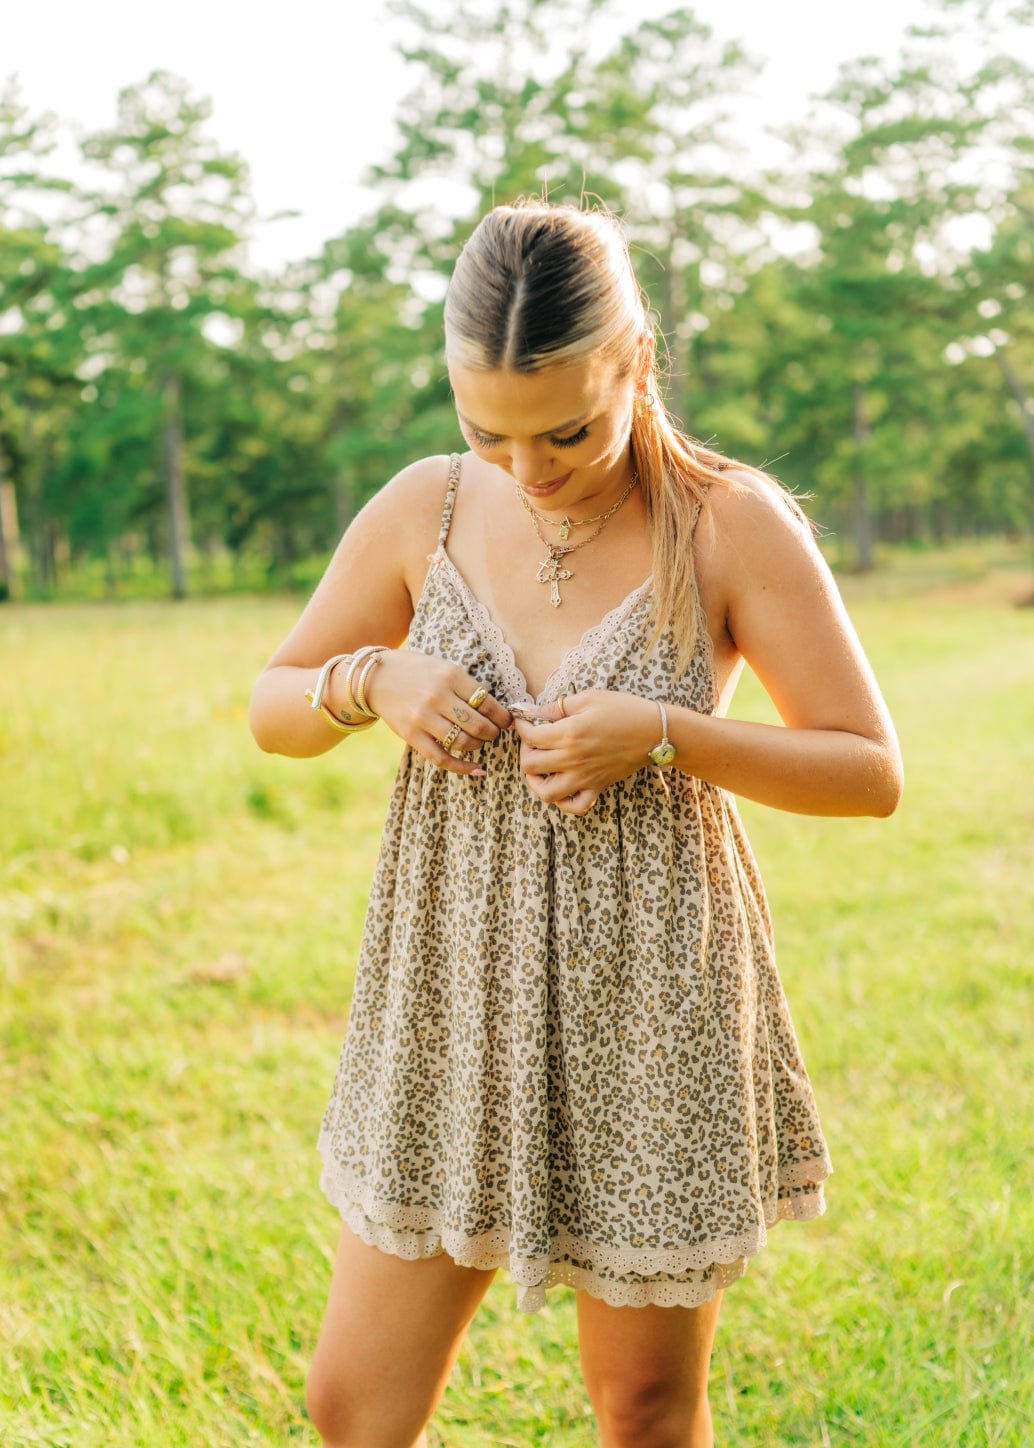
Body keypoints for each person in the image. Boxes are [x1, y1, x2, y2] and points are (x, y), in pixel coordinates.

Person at [249, 200, 903, 1448]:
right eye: (485, 430)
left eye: (566, 430)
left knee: (642, 1406)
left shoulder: (726, 522)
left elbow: (867, 769)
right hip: (447, 996)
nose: (527, 468)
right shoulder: (424, 509)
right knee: (352, 1400)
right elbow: (271, 705)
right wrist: (372, 679)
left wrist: (664, 732)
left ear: (636, 361)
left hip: (650, 1004)